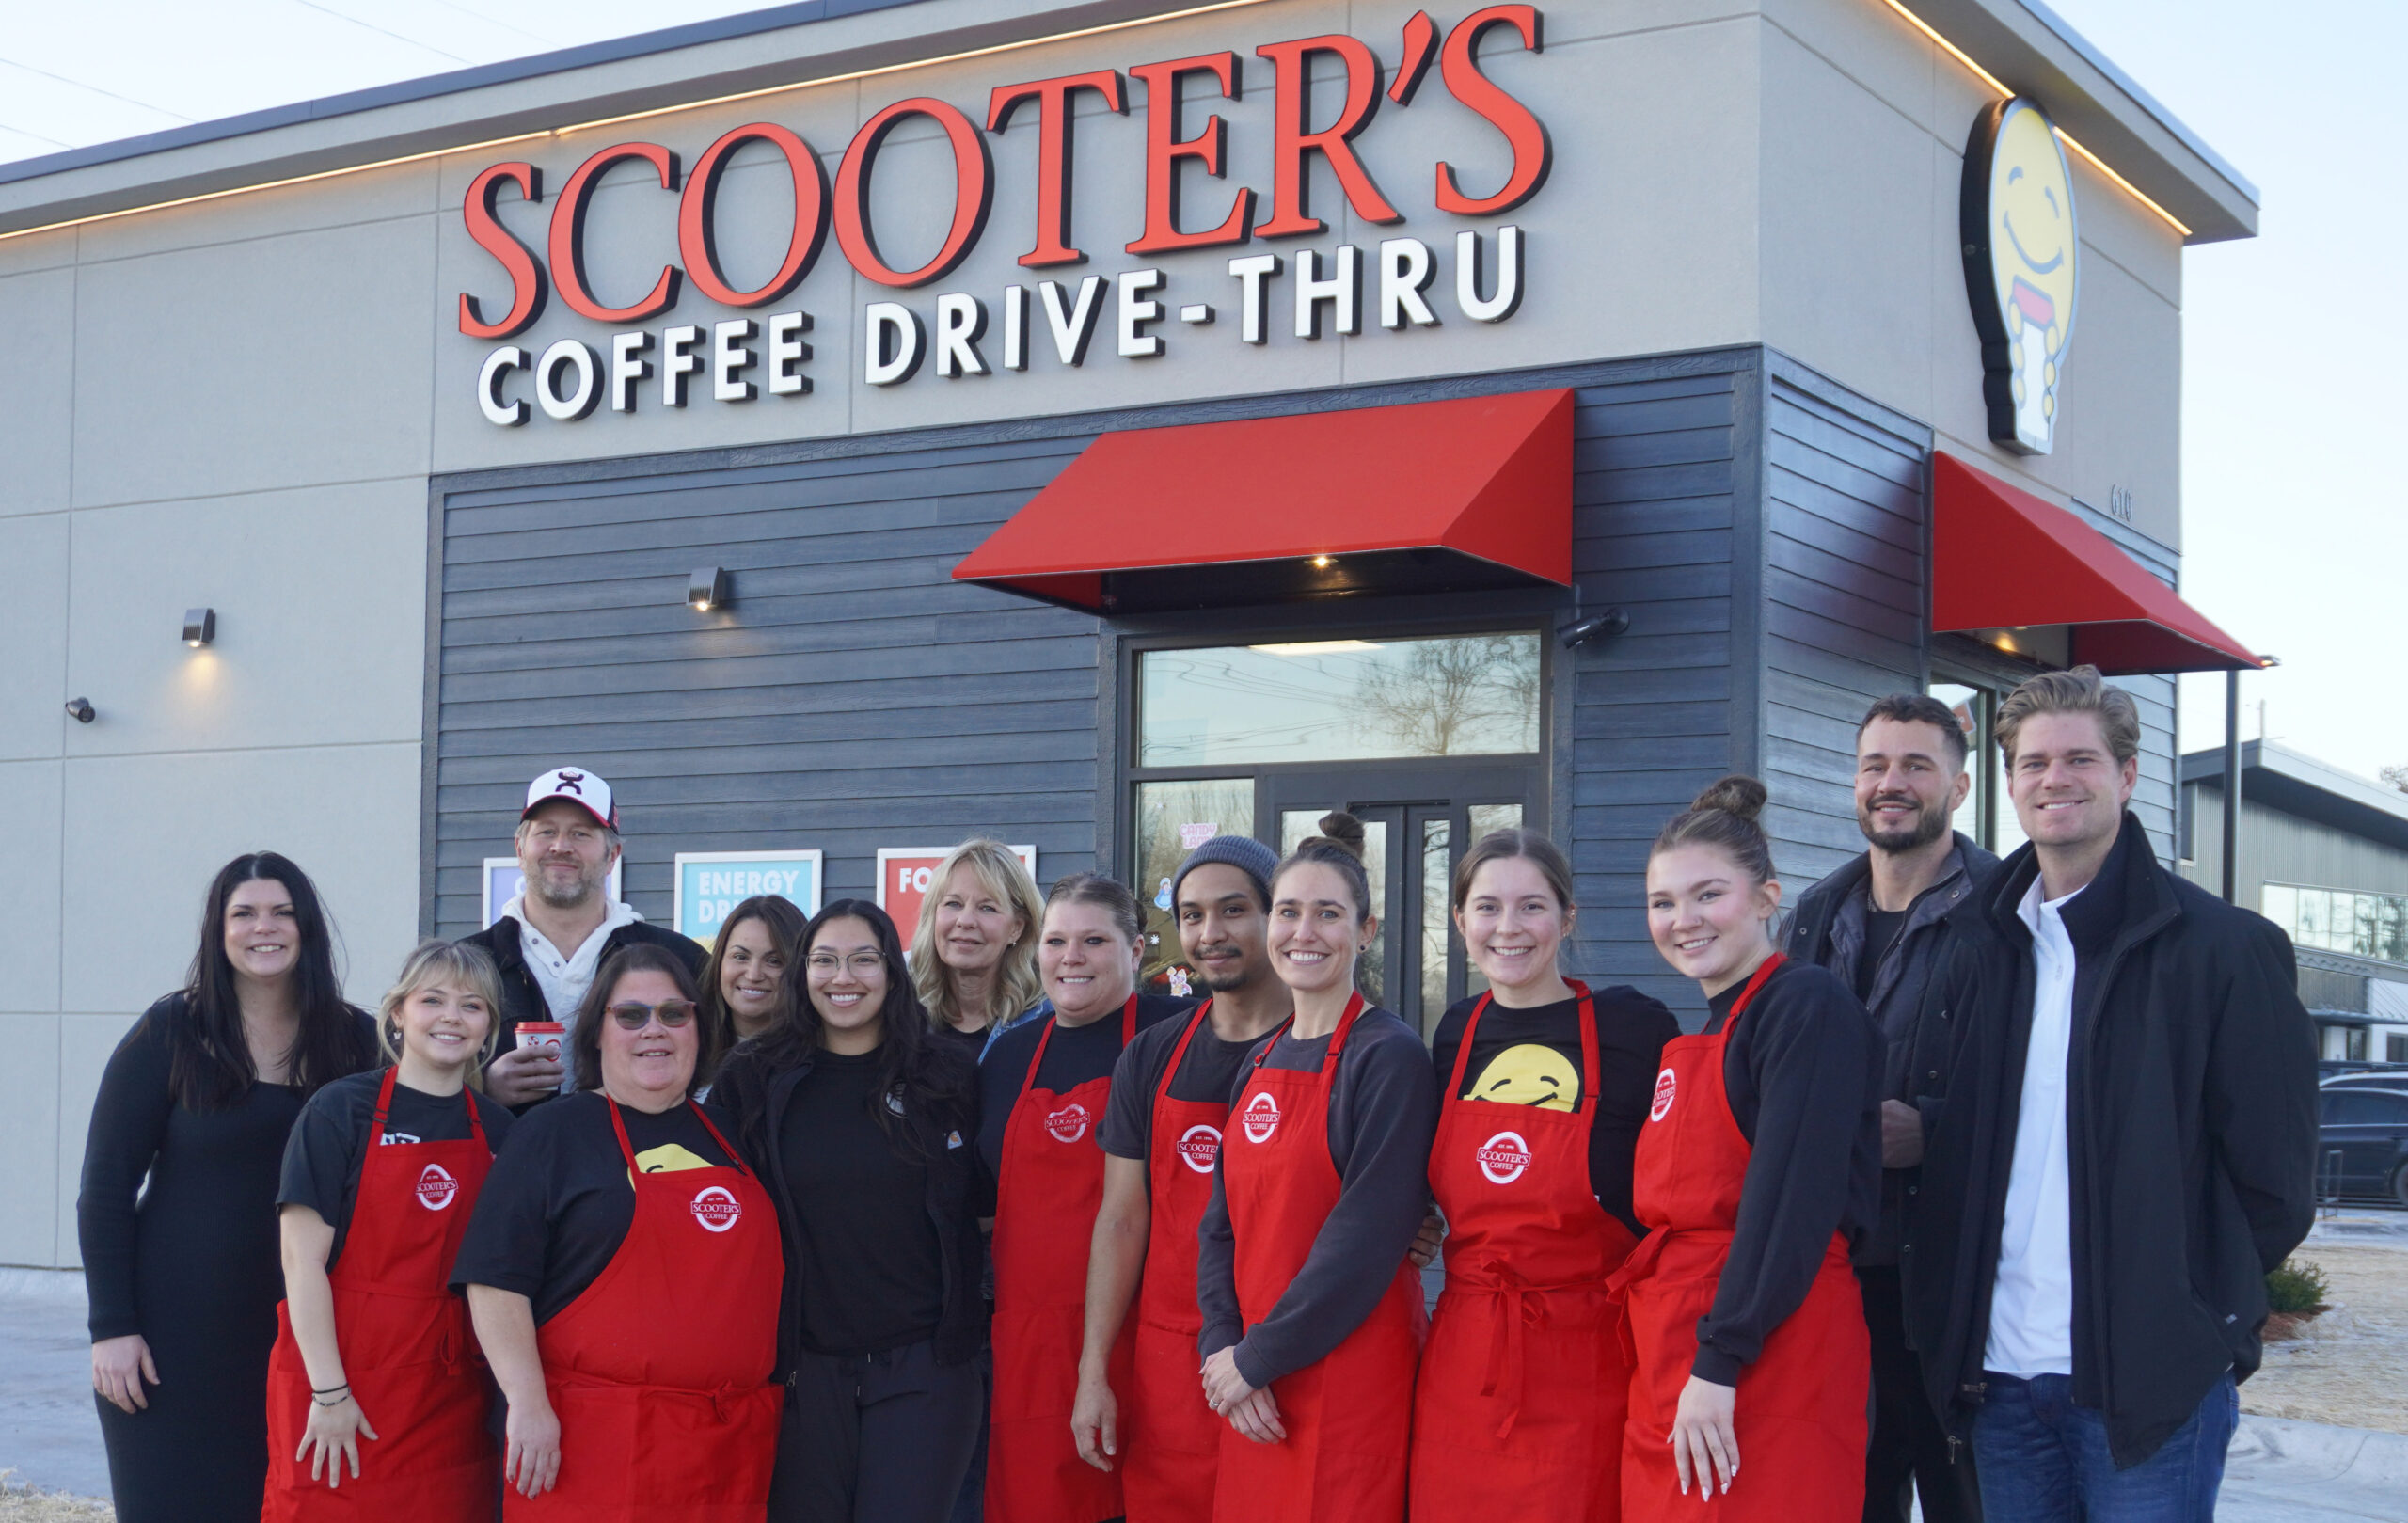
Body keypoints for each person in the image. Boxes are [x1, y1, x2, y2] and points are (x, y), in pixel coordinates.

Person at [1906, 667, 2318, 1523]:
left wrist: (2197, 1317)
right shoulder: (1979, 947)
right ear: (2010, 784)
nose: (2054, 778)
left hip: (2148, 1383)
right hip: (2000, 1380)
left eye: (2080, 759)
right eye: (2033, 762)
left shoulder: (2225, 949)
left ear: (2127, 776)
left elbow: (2275, 1183)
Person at [79, 853, 379, 1523]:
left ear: (306, 926)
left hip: (307, 1339)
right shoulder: (169, 1033)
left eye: (281, 912)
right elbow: (104, 1190)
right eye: (243, 913)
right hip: (171, 1342)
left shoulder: (356, 1041)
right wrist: (112, 1327)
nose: (262, 928)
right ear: (219, 929)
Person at [1616, 777, 1879, 1522]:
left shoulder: (1804, 1006)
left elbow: (1791, 1200)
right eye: (1663, 902)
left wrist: (1722, 1356)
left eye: (1708, 894)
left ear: (1767, 899)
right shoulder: (1700, 1032)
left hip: (1769, 1342)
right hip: (1685, 1345)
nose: (1683, 920)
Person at [453, 944, 783, 1519]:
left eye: (674, 1013)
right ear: (597, 1034)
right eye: (631, 1015)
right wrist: (526, 1403)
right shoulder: (553, 1133)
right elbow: (494, 1283)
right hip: (592, 1443)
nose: (654, 1030)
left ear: (698, 1028)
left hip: (726, 1449)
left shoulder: (734, 1134)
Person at [1411, 829, 1680, 1523]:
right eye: (1487, 906)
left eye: (1531, 906)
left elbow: (1677, 1185)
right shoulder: (1455, 1033)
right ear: (1460, 921)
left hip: (1587, 1355)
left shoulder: (1634, 1028)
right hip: (1466, 1357)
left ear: (1566, 918)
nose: (1508, 927)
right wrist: (1410, 1222)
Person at [1785, 695, 1998, 1523]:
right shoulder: (1813, 915)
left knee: (1963, 1501)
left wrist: (1935, 1130)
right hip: (1836, 1273)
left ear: (1960, 786)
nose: (1891, 783)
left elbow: (2043, 1087)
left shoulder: (2003, 913)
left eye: (1916, 765)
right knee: (1852, 1498)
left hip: (1952, 1286)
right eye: (1875, 765)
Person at [1196, 815, 1438, 1523]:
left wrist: (1256, 1359)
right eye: (1289, 911)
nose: (1304, 932)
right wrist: (1222, 1345)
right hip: (1253, 1384)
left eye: (1328, 914)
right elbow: (1219, 1227)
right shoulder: (1259, 1060)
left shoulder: (1388, 1056)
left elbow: (1365, 1241)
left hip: (1345, 1375)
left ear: (1366, 931)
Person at [715, 901, 987, 1523]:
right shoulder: (752, 1076)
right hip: (801, 1371)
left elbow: (986, 1206)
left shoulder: (946, 1073)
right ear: (802, 972)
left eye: (864, 959)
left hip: (925, 1368)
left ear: (892, 970)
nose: (844, 978)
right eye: (825, 961)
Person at [1072, 835, 1293, 1522]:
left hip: (1297, 1350)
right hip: (1176, 1362)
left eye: (1234, 909)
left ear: (1276, 916)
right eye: (1192, 915)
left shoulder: (1340, 1048)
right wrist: (1093, 1369)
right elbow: (1121, 1219)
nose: (1210, 932)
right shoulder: (1153, 1056)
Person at [264, 939, 516, 1520]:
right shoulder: (339, 1111)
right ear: (398, 1013)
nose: (452, 1017)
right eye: (433, 1000)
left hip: (452, 1391)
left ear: (489, 1027)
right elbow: (301, 1262)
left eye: (472, 1005)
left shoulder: (500, 1131)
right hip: (342, 1376)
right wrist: (330, 1392)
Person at [977, 874, 1192, 1523]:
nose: (1071, 957)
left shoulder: (1180, 1035)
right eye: (1056, 941)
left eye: (1094, 940)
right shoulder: (1007, 1056)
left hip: (1152, 1332)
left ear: (1136, 950)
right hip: (1033, 1347)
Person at [467, 768, 705, 1109]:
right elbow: (414, 1083)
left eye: (580, 834)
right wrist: (480, 1089)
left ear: (612, 855)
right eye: (546, 831)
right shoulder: (468, 962)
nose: (561, 847)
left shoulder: (681, 960)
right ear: (519, 848)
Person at [911, 838, 1048, 1062]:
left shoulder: (1049, 1024)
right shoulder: (902, 1017)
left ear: (1017, 928)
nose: (965, 921)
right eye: (953, 904)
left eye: (987, 908)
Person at [698, 894, 809, 1084]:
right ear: (719, 961)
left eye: (774, 961)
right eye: (740, 957)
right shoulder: (686, 1047)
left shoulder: (816, 1061)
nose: (753, 975)